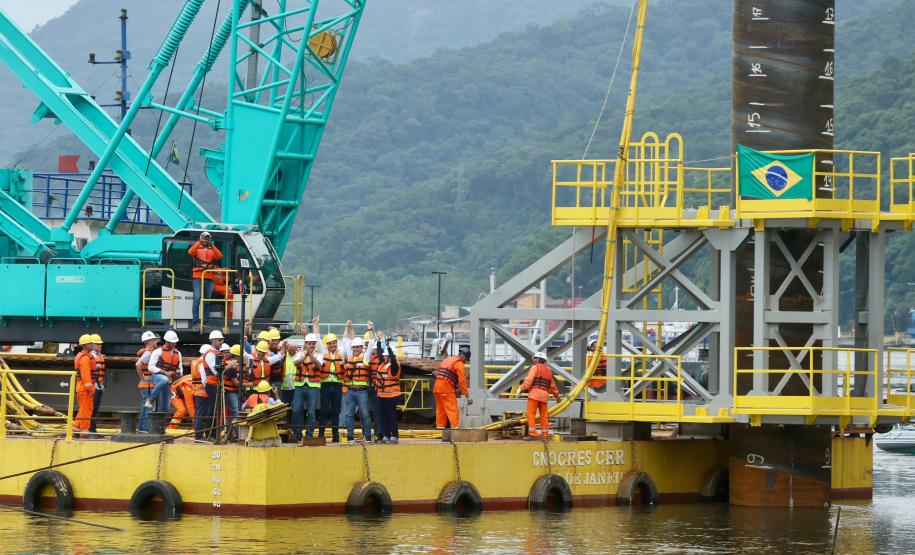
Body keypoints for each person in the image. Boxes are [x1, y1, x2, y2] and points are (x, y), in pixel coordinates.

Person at [520, 352, 561, 440]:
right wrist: (557, 396)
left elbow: (529, 381)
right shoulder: (549, 371)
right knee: (544, 416)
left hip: (534, 395)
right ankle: (545, 435)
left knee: (531, 414)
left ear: (538, 359)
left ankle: (532, 434)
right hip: (544, 396)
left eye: (535, 358)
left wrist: (521, 388)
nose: (534, 360)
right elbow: (553, 386)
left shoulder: (535, 368)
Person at [145, 330, 183, 422]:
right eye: (172, 343)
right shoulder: (158, 351)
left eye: (175, 342)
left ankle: (161, 426)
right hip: (157, 377)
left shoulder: (178, 354)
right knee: (164, 379)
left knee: (166, 407)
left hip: (169, 381)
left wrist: (178, 372)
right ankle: (151, 399)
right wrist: (165, 372)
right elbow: (150, 367)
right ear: (167, 342)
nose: (174, 344)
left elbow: (181, 369)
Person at [187, 231, 223, 327]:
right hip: (198, 276)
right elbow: (190, 252)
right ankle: (195, 321)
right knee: (197, 298)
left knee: (207, 300)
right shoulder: (197, 247)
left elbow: (219, 256)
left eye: (207, 238)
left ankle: (206, 321)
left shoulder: (212, 248)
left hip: (209, 276)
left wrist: (212, 245)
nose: (206, 239)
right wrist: (199, 242)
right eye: (204, 237)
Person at [292, 333, 323, 440]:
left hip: (313, 387)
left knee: (311, 412)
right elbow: (295, 363)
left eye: (313, 343)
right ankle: (297, 434)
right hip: (300, 386)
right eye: (309, 343)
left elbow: (319, 365)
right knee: (296, 410)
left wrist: (311, 355)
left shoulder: (319, 354)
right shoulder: (299, 353)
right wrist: (305, 355)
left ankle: (309, 436)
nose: (311, 345)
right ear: (305, 343)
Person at [433, 346, 473, 430]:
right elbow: (462, 381)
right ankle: (455, 429)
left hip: (437, 387)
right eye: (466, 359)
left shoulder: (447, 360)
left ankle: (440, 428)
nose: (465, 361)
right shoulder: (459, 364)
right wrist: (467, 395)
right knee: (452, 409)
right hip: (446, 388)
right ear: (465, 357)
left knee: (440, 410)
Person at [318, 332, 348, 442]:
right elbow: (318, 340)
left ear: (336, 343)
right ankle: (321, 435)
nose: (332, 345)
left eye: (334, 343)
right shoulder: (323, 352)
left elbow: (346, 342)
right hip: (325, 384)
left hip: (337, 385)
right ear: (327, 345)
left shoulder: (342, 352)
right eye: (330, 344)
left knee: (336, 411)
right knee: (324, 410)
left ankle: (335, 436)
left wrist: (347, 328)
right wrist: (316, 326)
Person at [343, 337, 372, 444]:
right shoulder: (350, 357)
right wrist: (348, 327)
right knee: (349, 414)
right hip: (350, 391)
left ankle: (367, 436)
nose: (355, 349)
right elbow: (346, 341)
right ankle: (350, 437)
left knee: (364, 414)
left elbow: (371, 343)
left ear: (362, 347)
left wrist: (371, 329)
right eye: (354, 347)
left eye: (357, 347)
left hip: (362, 391)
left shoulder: (365, 357)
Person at [374, 342, 402, 444]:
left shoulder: (394, 366)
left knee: (391, 415)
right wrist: (378, 343)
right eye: (384, 356)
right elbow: (379, 354)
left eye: (387, 356)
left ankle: (394, 436)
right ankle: (386, 435)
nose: (384, 358)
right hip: (382, 395)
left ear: (391, 356)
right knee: (383, 415)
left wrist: (389, 349)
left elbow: (393, 361)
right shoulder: (383, 364)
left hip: (392, 395)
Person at [73, 334, 98, 438]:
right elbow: (86, 376)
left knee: (83, 409)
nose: (94, 344)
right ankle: (84, 432)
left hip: (82, 388)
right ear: (86, 345)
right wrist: (90, 388)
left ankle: (75, 428)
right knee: (86, 410)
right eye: (92, 343)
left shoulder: (84, 356)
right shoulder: (85, 359)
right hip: (85, 389)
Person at [135, 331, 159, 433]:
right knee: (149, 406)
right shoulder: (148, 353)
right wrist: (143, 377)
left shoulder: (149, 352)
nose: (156, 342)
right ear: (150, 341)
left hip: (147, 385)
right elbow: (138, 364)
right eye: (154, 340)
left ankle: (142, 428)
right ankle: (144, 428)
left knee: (146, 406)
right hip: (148, 385)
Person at [88, 333, 105, 433]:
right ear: (93, 345)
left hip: (99, 386)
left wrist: (102, 385)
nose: (100, 345)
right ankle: (91, 430)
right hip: (94, 387)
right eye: (98, 344)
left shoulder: (98, 356)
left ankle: (92, 430)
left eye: (100, 344)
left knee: (95, 409)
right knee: (92, 409)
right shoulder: (91, 357)